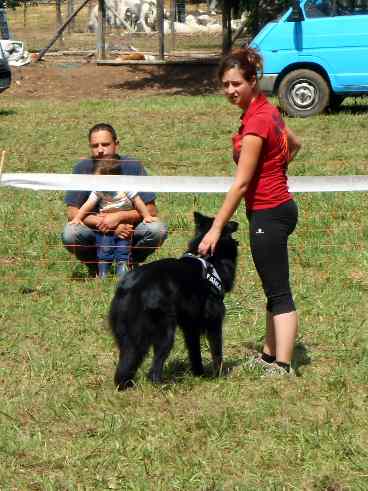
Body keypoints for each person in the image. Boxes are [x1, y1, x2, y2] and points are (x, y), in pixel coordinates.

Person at [198, 47, 301, 377]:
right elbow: (294, 144)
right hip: (275, 208)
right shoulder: (264, 112)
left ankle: (283, 366)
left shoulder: (257, 123)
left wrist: (215, 228)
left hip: (270, 212)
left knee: (279, 291)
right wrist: (273, 169)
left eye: (236, 84)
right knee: (272, 285)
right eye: (225, 85)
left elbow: (241, 185)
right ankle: (270, 356)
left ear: (253, 81)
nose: (230, 91)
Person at [62, 123, 168, 277]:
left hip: (130, 229)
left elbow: (151, 210)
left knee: (157, 229)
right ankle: (96, 265)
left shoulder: (132, 166)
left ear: (116, 144)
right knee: (70, 233)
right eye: (95, 145)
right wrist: (107, 224)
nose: (100, 150)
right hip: (96, 230)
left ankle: (130, 263)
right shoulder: (82, 169)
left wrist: (119, 217)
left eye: (105, 144)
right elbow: (72, 213)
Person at [69, 159, 158, 278]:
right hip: (105, 225)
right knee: (105, 247)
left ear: (111, 178)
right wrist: (78, 218)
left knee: (123, 245)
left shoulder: (126, 188)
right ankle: (103, 270)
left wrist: (146, 216)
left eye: (99, 179)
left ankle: (123, 268)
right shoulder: (99, 191)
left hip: (124, 223)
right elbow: (88, 205)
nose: (96, 183)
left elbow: (138, 202)